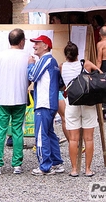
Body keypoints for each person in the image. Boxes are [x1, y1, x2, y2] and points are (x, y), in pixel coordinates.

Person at [0, 28, 29, 175]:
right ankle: (17, 164)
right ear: (22, 41)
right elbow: (29, 78)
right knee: (18, 130)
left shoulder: (0, 56)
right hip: (20, 98)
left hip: (3, 98)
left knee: (1, 131)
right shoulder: (27, 57)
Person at [61, 42, 101, 177]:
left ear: (65, 55)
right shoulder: (86, 64)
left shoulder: (62, 67)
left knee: (73, 139)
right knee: (88, 139)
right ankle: (88, 169)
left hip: (71, 103)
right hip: (87, 102)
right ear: (78, 54)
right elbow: (100, 74)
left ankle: (74, 169)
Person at [27, 35, 64, 176]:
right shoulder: (53, 61)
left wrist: (30, 64)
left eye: (37, 43)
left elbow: (32, 76)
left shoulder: (46, 59)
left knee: (41, 135)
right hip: (51, 102)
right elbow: (60, 83)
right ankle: (57, 163)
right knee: (50, 134)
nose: (34, 46)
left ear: (45, 46)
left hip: (44, 102)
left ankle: (45, 166)